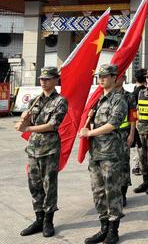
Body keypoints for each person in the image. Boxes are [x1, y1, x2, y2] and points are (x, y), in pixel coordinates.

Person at [15, 66, 68, 238]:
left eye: (47, 79)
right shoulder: (36, 100)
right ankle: (38, 218)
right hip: (33, 148)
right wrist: (23, 119)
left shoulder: (60, 101)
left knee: (49, 186)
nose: (43, 82)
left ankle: (48, 221)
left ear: (55, 80)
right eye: (42, 79)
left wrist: (28, 127)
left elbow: (53, 125)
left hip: (49, 149)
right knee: (34, 185)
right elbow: (28, 119)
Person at [78, 64, 128, 244]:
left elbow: (113, 124)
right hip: (96, 152)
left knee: (112, 191)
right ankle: (103, 227)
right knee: (98, 191)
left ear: (115, 78)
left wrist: (89, 133)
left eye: (106, 76)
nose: (102, 79)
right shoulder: (98, 100)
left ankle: (113, 230)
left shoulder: (119, 99)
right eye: (100, 76)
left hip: (110, 153)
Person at [113, 74, 136, 207]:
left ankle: (123, 193)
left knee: (123, 165)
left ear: (123, 79)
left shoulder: (129, 96)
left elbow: (133, 116)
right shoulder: (107, 96)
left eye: (119, 77)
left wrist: (132, 134)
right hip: (109, 136)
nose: (116, 79)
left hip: (123, 135)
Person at [131, 68, 146, 176]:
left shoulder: (135, 92)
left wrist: (135, 121)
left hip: (137, 123)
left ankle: (137, 165)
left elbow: (133, 110)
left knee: (139, 146)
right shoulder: (146, 90)